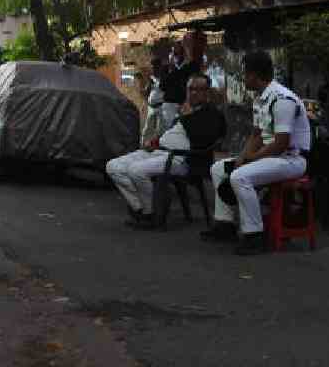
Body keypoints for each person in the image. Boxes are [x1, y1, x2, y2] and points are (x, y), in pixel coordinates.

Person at [204, 51, 311, 255]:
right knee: (218, 169)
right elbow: (257, 135)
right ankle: (225, 225)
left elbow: (281, 143)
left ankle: (254, 235)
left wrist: (251, 160)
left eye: (245, 74)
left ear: (254, 75)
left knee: (239, 177)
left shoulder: (282, 99)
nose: (243, 79)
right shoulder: (261, 99)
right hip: (272, 157)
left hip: (291, 160)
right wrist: (243, 157)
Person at [106, 74, 226, 229]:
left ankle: (151, 213)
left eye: (199, 89)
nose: (194, 93)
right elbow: (171, 133)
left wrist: (188, 117)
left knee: (135, 170)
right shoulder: (185, 110)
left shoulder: (213, 114)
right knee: (113, 166)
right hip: (158, 151)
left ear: (207, 92)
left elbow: (205, 139)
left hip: (181, 159)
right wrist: (154, 141)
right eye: (191, 89)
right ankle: (141, 208)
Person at [160, 36, 203, 129]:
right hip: (171, 104)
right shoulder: (170, 69)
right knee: (172, 127)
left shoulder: (185, 69)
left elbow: (194, 67)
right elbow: (162, 86)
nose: (175, 56)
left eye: (178, 53)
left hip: (181, 103)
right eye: (174, 53)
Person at [142, 58, 166, 146]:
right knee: (147, 128)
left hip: (161, 106)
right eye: (151, 67)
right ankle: (142, 145)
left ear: (159, 67)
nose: (152, 69)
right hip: (151, 106)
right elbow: (147, 92)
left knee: (160, 129)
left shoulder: (164, 78)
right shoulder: (151, 79)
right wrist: (144, 104)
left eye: (154, 67)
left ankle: (159, 146)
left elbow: (163, 88)